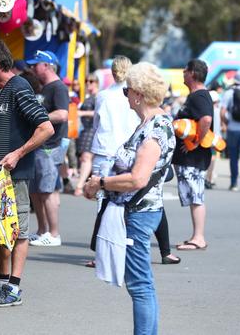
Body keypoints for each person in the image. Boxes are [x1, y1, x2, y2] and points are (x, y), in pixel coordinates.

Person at [84, 62, 175, 335]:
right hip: (141, 210)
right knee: (142, 284)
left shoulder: (153, 130)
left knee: (139, 285)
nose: (126, 97)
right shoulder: (152, 123)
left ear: (138, 94)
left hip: (138, 213)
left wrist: (100, 182)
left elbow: (138, 178)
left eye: (127, 92)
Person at [0, 40, 54, 307]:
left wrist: (18, 153)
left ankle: (13, 287)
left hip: (15, 176)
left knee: (18, 231)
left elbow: (45, 128)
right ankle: (1, 281)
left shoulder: (20, 88)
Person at [85, 56, 139, 267]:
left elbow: (97, 121)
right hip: (126, 151)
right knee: (125, 201)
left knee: (103, 202)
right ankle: (121, 248)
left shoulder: (103, 96)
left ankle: (102, 253)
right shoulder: (134, 95)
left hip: (105, 148)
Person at [26, 50, 69, 247]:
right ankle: (42, 230)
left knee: (47, 190)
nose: (33, 68)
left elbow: (62, 114)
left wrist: (39, 117)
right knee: (36, 190)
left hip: (50, 147)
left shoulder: (58, 87)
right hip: (39, 145)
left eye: (36, 64)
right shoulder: (44, 87)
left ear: (46, 65)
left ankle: (54, 233)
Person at [173, 59, 213, 251]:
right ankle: (196, 236)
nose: (183, 72)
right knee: (193, 195)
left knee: (196, 195)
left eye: (186, 70)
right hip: (190, 157)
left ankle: (199, 237)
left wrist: (196, 142)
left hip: (194, 157)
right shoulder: (196, 95)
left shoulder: (199, 96)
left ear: (193, 74)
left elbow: (206, 119)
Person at [74, 73, 99, 196]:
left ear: (97, 83)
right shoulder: (89, 96)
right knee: (85, 158)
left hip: (92, 129)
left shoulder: (97, 96)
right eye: (86, 81)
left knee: (86, 158)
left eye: (91, 81)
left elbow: (98, 113)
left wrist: (82, 113)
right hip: (86, 129)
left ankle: (79, 186)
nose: (88, 83)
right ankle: (88, 186)